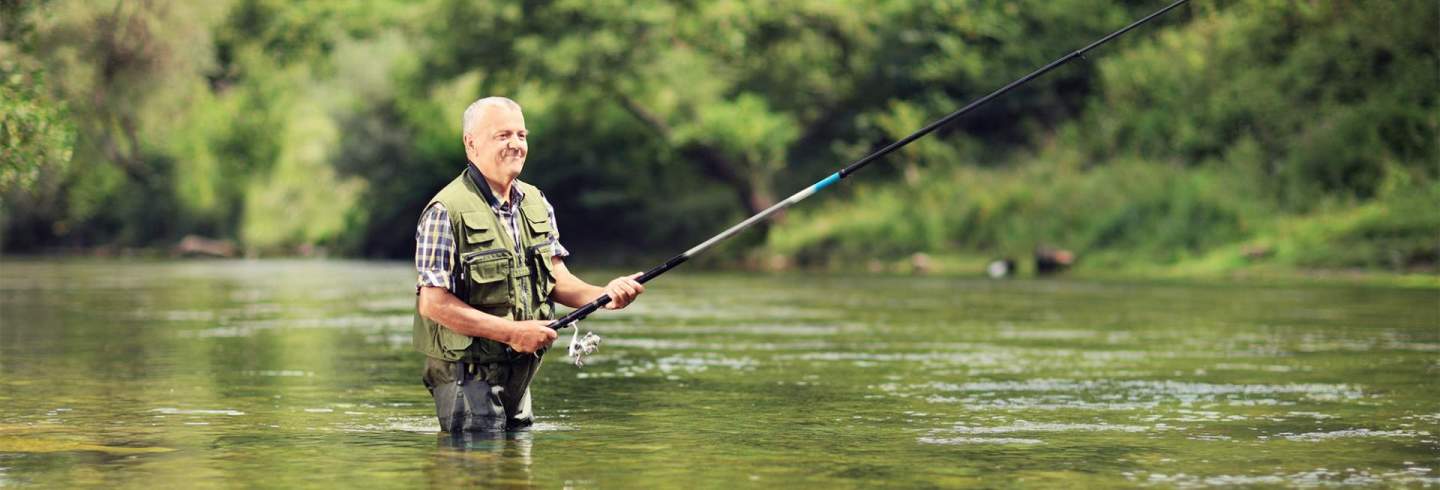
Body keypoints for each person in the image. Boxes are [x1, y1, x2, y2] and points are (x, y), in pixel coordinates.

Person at [413, 96, 644, 432]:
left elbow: (556, 279)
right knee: (475, 475)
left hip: (519, 373)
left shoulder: (536, 203)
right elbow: (432, 304)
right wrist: (513, 332)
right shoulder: (444, 211)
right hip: (467, 376)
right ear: (471, 143)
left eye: (521, 135)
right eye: (503, 135)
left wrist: (606, 294)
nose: (516, 144)